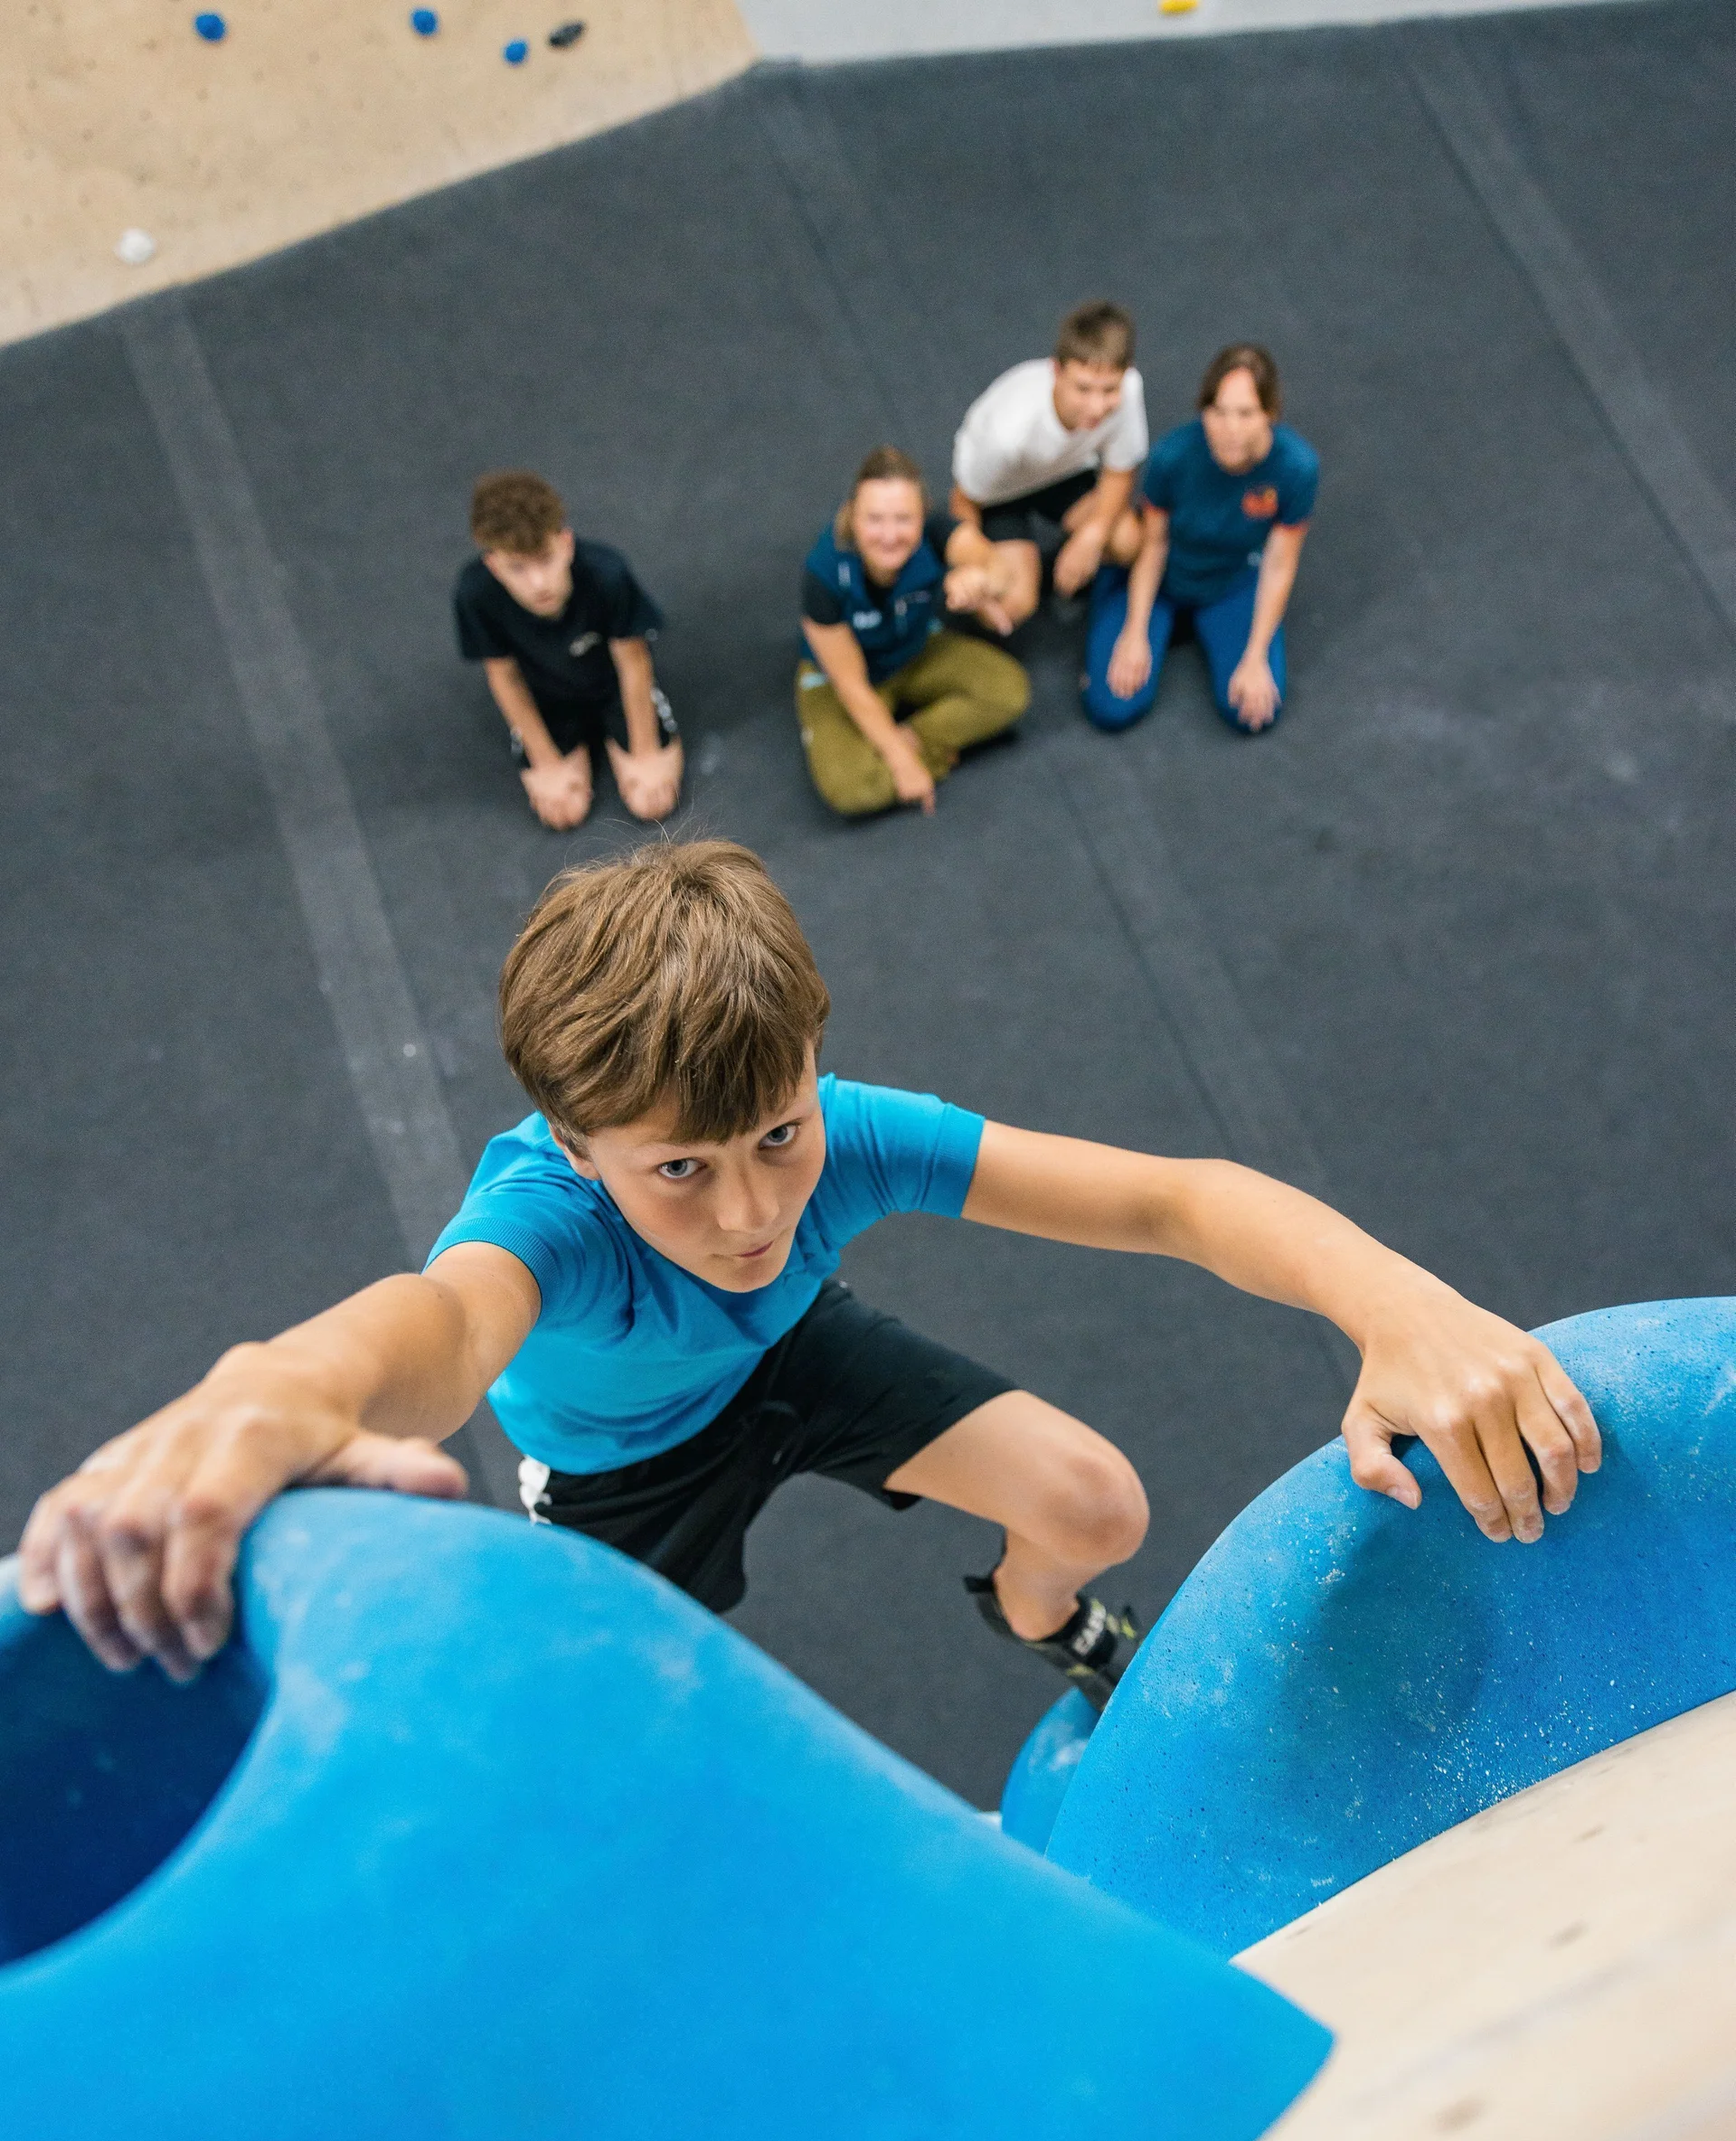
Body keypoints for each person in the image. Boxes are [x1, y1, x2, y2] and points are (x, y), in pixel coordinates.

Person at [21, 844, 1602, 1721]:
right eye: (680, 1169)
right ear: (579, 1145)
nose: (749, 1208)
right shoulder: (546, 1223)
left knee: (1099, 1504)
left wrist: (1394, 1298)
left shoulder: (838, 1138)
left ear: (813, 1064)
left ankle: (1049, 1627)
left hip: (793, 1363)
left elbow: (1171, 1198)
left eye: (777, 1131)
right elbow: (433, 1329)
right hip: (628, 1473)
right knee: (642, 1718)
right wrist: (279, 1387)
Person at [1083, 343, 1316, 735]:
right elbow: (1153, 546)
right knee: (1111, 708)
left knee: (1252, 712)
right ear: (1203, 410)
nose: (1230, 430)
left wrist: (1256, 655)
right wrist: (1135, 631)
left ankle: (1201, 629)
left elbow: (1280, 563)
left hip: (1230, 583)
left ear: (1270, 414)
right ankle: (1115, 601)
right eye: (1218, 412)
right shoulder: (1171, 457)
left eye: (1246, 414)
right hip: (1162, 582)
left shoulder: (1297, 468)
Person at [797, 447, 1031, 818]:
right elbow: (852, 686)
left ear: (922, 518)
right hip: (846, 677)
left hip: (914, 649)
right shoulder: (822, 575)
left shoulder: (938, 531)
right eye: (875, 519)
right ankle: (920, 749)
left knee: (1009, 693)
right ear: (852, 517)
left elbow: (999, 569)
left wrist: (982, 579)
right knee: (849, 788)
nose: (889, 536)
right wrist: (903, 762)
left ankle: (909, 739)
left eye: (904, 519)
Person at [455, 469, 684, 830]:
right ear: (494, 565)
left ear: (566, 543)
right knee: (565, 811)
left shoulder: (607, 573)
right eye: (517, 568)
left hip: (612, 687)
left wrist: (645, 751)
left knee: (649, 803)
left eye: (546, 558)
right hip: (544, 696)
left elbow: (634, 662)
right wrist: (546, 762)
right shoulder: (475, 593)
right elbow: (504, 676)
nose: (538, 583)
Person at [949, 300, 1150, 635]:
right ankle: (1029, 568)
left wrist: (1092, 536)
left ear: (1126, 374)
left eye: (1109, 390)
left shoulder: (1129, 389)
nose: (1097, 407)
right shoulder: (1007, 434)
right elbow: (964, 501)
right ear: (1057, 371)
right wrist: (979, 574)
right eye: (1083, 388)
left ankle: (1059, 557)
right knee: (1014, 606)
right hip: (999, 495)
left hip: (1064, 473)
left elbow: (1120, 470)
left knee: (1127, 541)